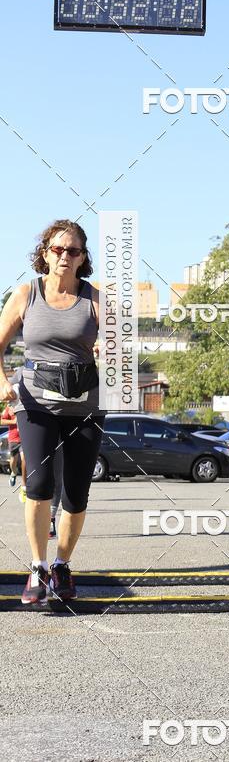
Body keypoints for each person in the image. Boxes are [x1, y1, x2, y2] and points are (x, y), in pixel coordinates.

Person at [0, 219, 104, 604]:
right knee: (39, 484)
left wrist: (107, 351)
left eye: (73, 250)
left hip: (85, 407)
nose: (64, 256)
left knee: (76, 493)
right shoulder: (26, 294)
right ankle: (38, 567)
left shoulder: (96, 300)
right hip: (35, 404)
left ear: (82, 257)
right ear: (44, 253)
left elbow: (123, 353)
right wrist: (2, 381)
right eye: (57, 249)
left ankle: (62, 566)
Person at [1, 395, 23, 490]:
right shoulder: (8, 408)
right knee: (13, 460)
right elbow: (1, 421)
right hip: (13, 438)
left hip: (23, 439)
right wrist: (13, 421)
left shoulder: (24, 406)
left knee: (24, 458)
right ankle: (13, 473)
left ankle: (24, 483)